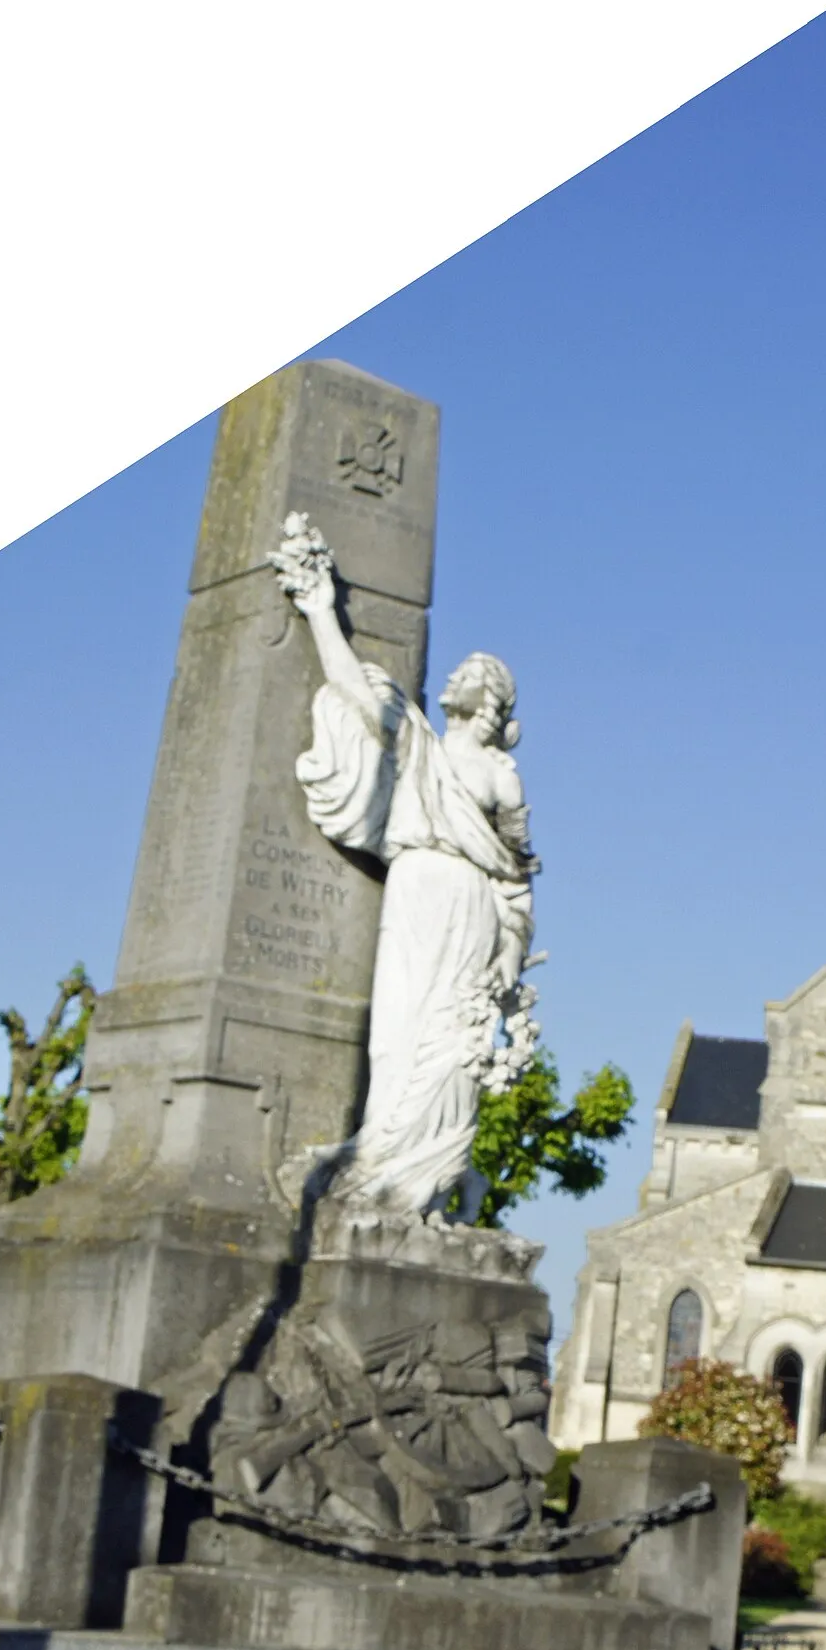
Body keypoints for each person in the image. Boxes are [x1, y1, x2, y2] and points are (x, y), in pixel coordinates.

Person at [270, 516, 537, 1217]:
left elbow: (515, 877)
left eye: (469, 674)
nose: (454, 676)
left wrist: (509, 952)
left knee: (447, 1041)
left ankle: (421, 1178)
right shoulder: (416, 737)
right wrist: (321, 608)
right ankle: (380, 1156)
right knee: (394, 1035)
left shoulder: (501, 779)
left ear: (490, 701)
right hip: (415, 886)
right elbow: (356, 690)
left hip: (466, 902)